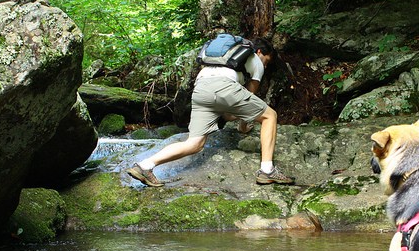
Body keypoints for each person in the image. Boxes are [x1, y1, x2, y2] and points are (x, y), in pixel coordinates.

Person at [126, 37, 295, 187]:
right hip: (224, 88)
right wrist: (243, 127)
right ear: (260, 52)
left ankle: (145, 165)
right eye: (266, 60)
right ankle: (267, 170)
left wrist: (232, 116)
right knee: (269, 116)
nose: (265, 64)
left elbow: (235, 108)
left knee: (194, 144)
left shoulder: (224, 60)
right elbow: (248, 98)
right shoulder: (255, 60)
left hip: (200, 89)